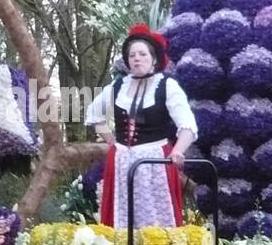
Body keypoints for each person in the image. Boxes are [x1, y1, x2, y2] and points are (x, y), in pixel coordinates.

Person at [84, 24, 198, 228]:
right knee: (122, 217)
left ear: (154, 59)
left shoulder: (166, 86)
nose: (136, 58)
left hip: (154, 162)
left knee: (155, 218)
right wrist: (111, 140)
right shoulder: (119, 85)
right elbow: (94, 113)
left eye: (142, 54)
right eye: (132, 55)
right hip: (121, 162)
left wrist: (178, 151)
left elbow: (188, 125)